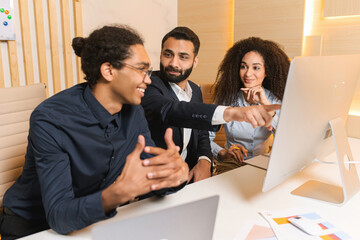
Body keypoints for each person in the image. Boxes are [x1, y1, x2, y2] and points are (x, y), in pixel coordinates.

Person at [0, 25, 189, 239]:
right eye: (141, 70)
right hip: (35, 226)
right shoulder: (51, 118)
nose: (148, 79)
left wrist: (174, 175)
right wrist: (118, 193)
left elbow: (147, 176)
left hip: (92, 221)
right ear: (108, 70)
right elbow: (59, 216)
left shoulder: (134, 111)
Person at [141, 27, 280, 183]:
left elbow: (201, 135)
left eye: (183, 57)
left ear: (195, 61)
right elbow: (170, 110)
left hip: (255, 167)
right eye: (168, 54)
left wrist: (204, 160)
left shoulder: (194, 90)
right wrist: (232, 114)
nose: (174, 63)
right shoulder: (147, 84)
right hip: (159, 179)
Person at [210, 37, 290, 173]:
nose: (248, 73)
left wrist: (266, 105)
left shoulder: (274, 99)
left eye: (256, 68)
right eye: (243, 66)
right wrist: (223, 153)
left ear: (266, 72)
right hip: (231, 164)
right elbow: (204, 136)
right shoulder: (226, 98)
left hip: (264, 164)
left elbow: (287, 140)